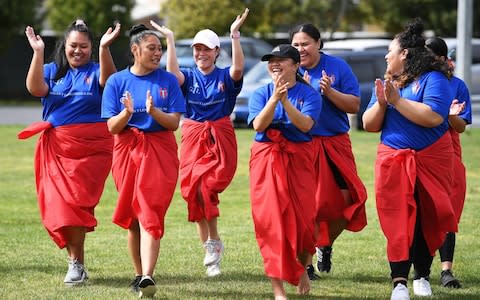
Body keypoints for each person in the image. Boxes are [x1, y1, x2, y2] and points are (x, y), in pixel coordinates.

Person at [18, 19, 120, 286]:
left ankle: (76, 265)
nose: (78, 51)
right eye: (73, 46)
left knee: (75, 207)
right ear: (65, 46)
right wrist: (38, 52)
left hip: (92, 151)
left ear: (91, 48)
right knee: (62, 209)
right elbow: (35, 88)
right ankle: (77, 264)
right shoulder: (53, 71)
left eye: (84, 47)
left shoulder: (98, 70)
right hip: (57, 149)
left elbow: (109, 82)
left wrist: (105, 49)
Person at [362, 18, 458, 300]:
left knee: (428, 218)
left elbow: (433, 117)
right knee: (397, 220)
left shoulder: (434, 79)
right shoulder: (387, 82)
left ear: (404, 53)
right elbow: (369, 124)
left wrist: (397, 102)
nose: (385, 56)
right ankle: (399, 283)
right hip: (393, 159)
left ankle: (423, 275)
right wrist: (381, 102)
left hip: (431, 160)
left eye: (390, 50)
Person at [150, 8, 248, 277]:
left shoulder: (225, 76)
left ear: (217, 52)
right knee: (194, 192)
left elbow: (239, 68)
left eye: (207, 50)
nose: (201, 54)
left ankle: (213, 241)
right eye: (197, 50)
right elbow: (172, 73)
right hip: (193, 136)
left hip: (220, 137)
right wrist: (170, 39)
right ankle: (210, 249)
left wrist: (235, 35)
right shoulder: (189, 77)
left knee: (207, 188)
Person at [101, 24, 185, 297]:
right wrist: (127, 114)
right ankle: (139, 274)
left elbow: (173, 123)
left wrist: (154, 112)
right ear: (135, 50)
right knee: (133, 217)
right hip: (126, 150)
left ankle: (148, 275)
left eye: (159, 49)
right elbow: (112, 127)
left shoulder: (168, 80)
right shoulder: (116, 82)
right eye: (152, 48)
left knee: (150, 210)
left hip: (159, 150)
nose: (157, 53)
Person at [290, 23, 368, 279]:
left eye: (305, 44)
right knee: (307, 206)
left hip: (335, 144)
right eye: (296, 45)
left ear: (318, 43)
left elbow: (355, 105)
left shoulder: (337, 67)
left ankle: (326, 243)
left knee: (350, 201)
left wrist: (329, 91)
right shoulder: (291, 68)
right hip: (304, 145)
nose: (301, 49)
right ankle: (308, 262)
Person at [248, 44, 321, 300]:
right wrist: (274, 99)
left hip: (299, 160)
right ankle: (278, 291)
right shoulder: (260, 93)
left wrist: (286, 102)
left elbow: (305, 125)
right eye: (271, 60)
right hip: (267, 159)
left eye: (281, 60)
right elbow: (258, 124)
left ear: (295, 66)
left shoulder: (309, 95)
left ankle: (301, 266)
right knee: (272, 224)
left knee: (303, 225)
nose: (274, 64)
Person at [424, 36, 472, 289]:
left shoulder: (457, 85)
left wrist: (449, 116)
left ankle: (446, 270)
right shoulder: (413, 82)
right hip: (419, 150)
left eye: (430, 55)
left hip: (448, 151)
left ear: (443, 59)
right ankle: (418, 268)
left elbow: (461, 126)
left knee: (447, 208)